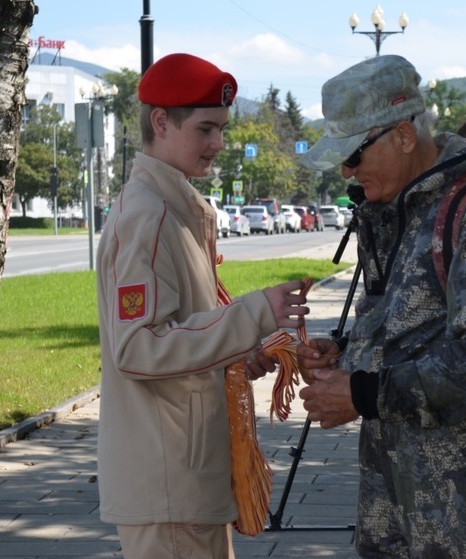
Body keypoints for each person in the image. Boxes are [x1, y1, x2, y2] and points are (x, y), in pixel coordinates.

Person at [297, 55, 466, 558]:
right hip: (391, 480)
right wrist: (341, 353)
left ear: (403, 135)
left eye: (355, 155)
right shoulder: (390, 208)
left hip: (462, 492)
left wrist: (361, 393)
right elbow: (404, 323)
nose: (347, 171)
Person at [95, 53, 309, 559]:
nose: (219, 144)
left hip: (186, 476)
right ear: (161, 122)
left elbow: (181, 332)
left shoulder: (175, 208)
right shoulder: (146, 216)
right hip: (169, 482)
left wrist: (238, 352)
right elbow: (139, 347)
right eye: (207, 128)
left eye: (222, 129)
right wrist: (253, 313)